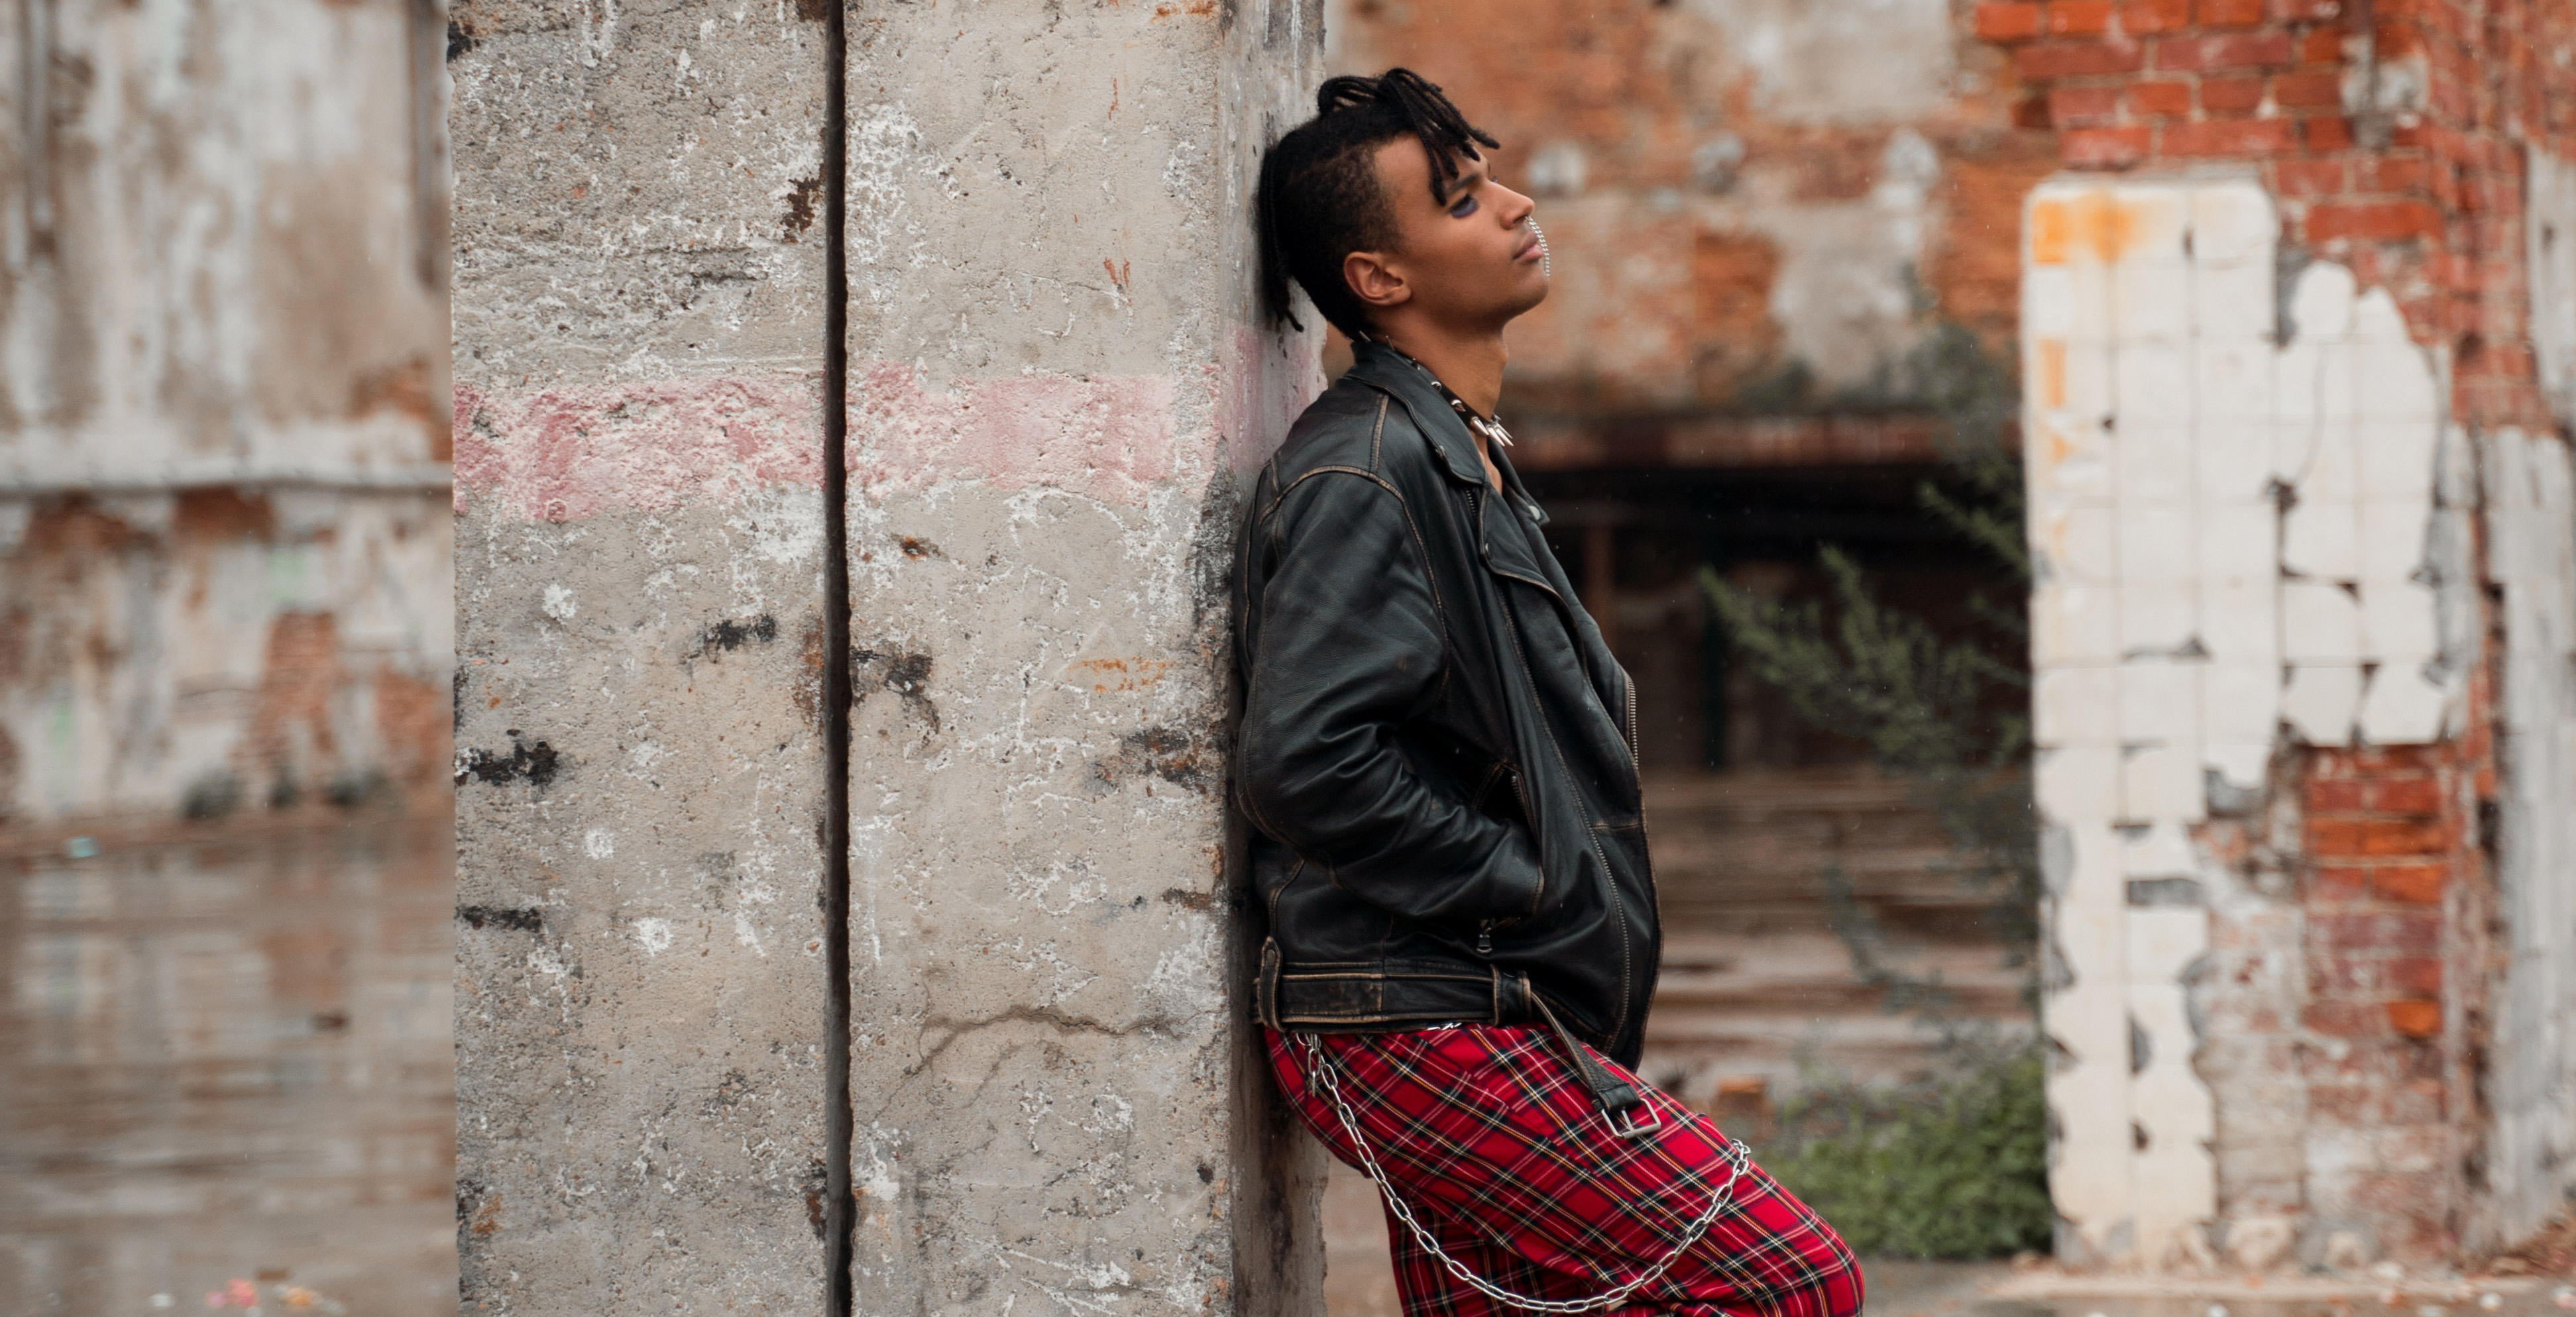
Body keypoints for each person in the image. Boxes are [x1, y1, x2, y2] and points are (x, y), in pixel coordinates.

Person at [1233, 69, 1866, 1316]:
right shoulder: (1367, 471)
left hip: (1460, 1005)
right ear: (1380, 279)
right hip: (1417, 1023)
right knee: (1793, 1284)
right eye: (1465, 201)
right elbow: (1307, 758)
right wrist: (1532, 882)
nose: (1517, 204)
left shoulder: (1450, 446)